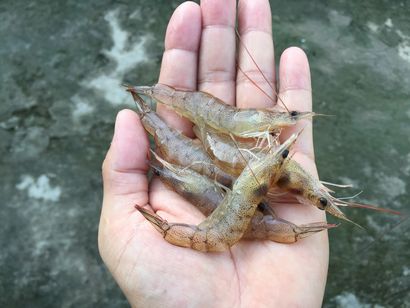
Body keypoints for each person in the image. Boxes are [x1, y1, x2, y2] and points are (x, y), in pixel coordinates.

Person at [99, 0, 329, 306]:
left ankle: (155, 110)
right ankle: (152, 101)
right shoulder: (254, 179)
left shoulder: (253, 182)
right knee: (208, 171)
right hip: (217, 179)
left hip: (220, 207)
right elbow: (250, 182)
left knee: (213, 178)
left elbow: (249, 184)